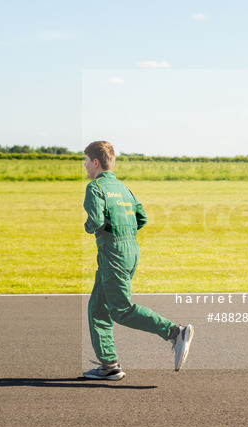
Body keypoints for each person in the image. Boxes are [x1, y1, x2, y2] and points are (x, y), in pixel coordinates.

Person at [81, 140, 193, 380]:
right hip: (130, 249)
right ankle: (109, 365)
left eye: (86, 161)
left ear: (96, 162)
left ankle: (175, 332)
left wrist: (89, 227)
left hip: (112, 252)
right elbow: (141, 218)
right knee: (97, 308)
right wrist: (124, 233)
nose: (85, 166)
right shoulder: (123, 188)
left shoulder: (95, 187)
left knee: (120, 309)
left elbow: (96, 221)